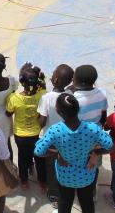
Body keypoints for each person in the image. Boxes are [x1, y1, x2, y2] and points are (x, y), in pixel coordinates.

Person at [34, 93, 114, 213]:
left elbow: (38, 151)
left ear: (58, 111)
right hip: (86, 175)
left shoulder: (55, 130)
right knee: (87, 202)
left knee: (65, 201)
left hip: (65, 176)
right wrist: (95, 153)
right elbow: (110, 146)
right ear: (78, 108)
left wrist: (57, 154)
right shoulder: (92, 128)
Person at [37, 64, 74, 209]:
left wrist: (37, 116)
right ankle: (68, 189)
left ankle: (54, 195)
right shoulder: (70, 96)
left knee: (52, 169)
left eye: (53, 73)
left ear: (56, 79)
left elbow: (42, 122)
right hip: (67, 140)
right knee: (65, 165)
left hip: (51, 141)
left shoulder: (46, 98)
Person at [6, 63, 47, 190]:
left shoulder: (14, 98)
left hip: (21, 136)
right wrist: (42, 78)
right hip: (37, 135)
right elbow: (43, 86)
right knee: (40, 159)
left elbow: (8, 112)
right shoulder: (42, 94)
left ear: (21, 82)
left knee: (23, 159)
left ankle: (24, 181)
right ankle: (43, 183)